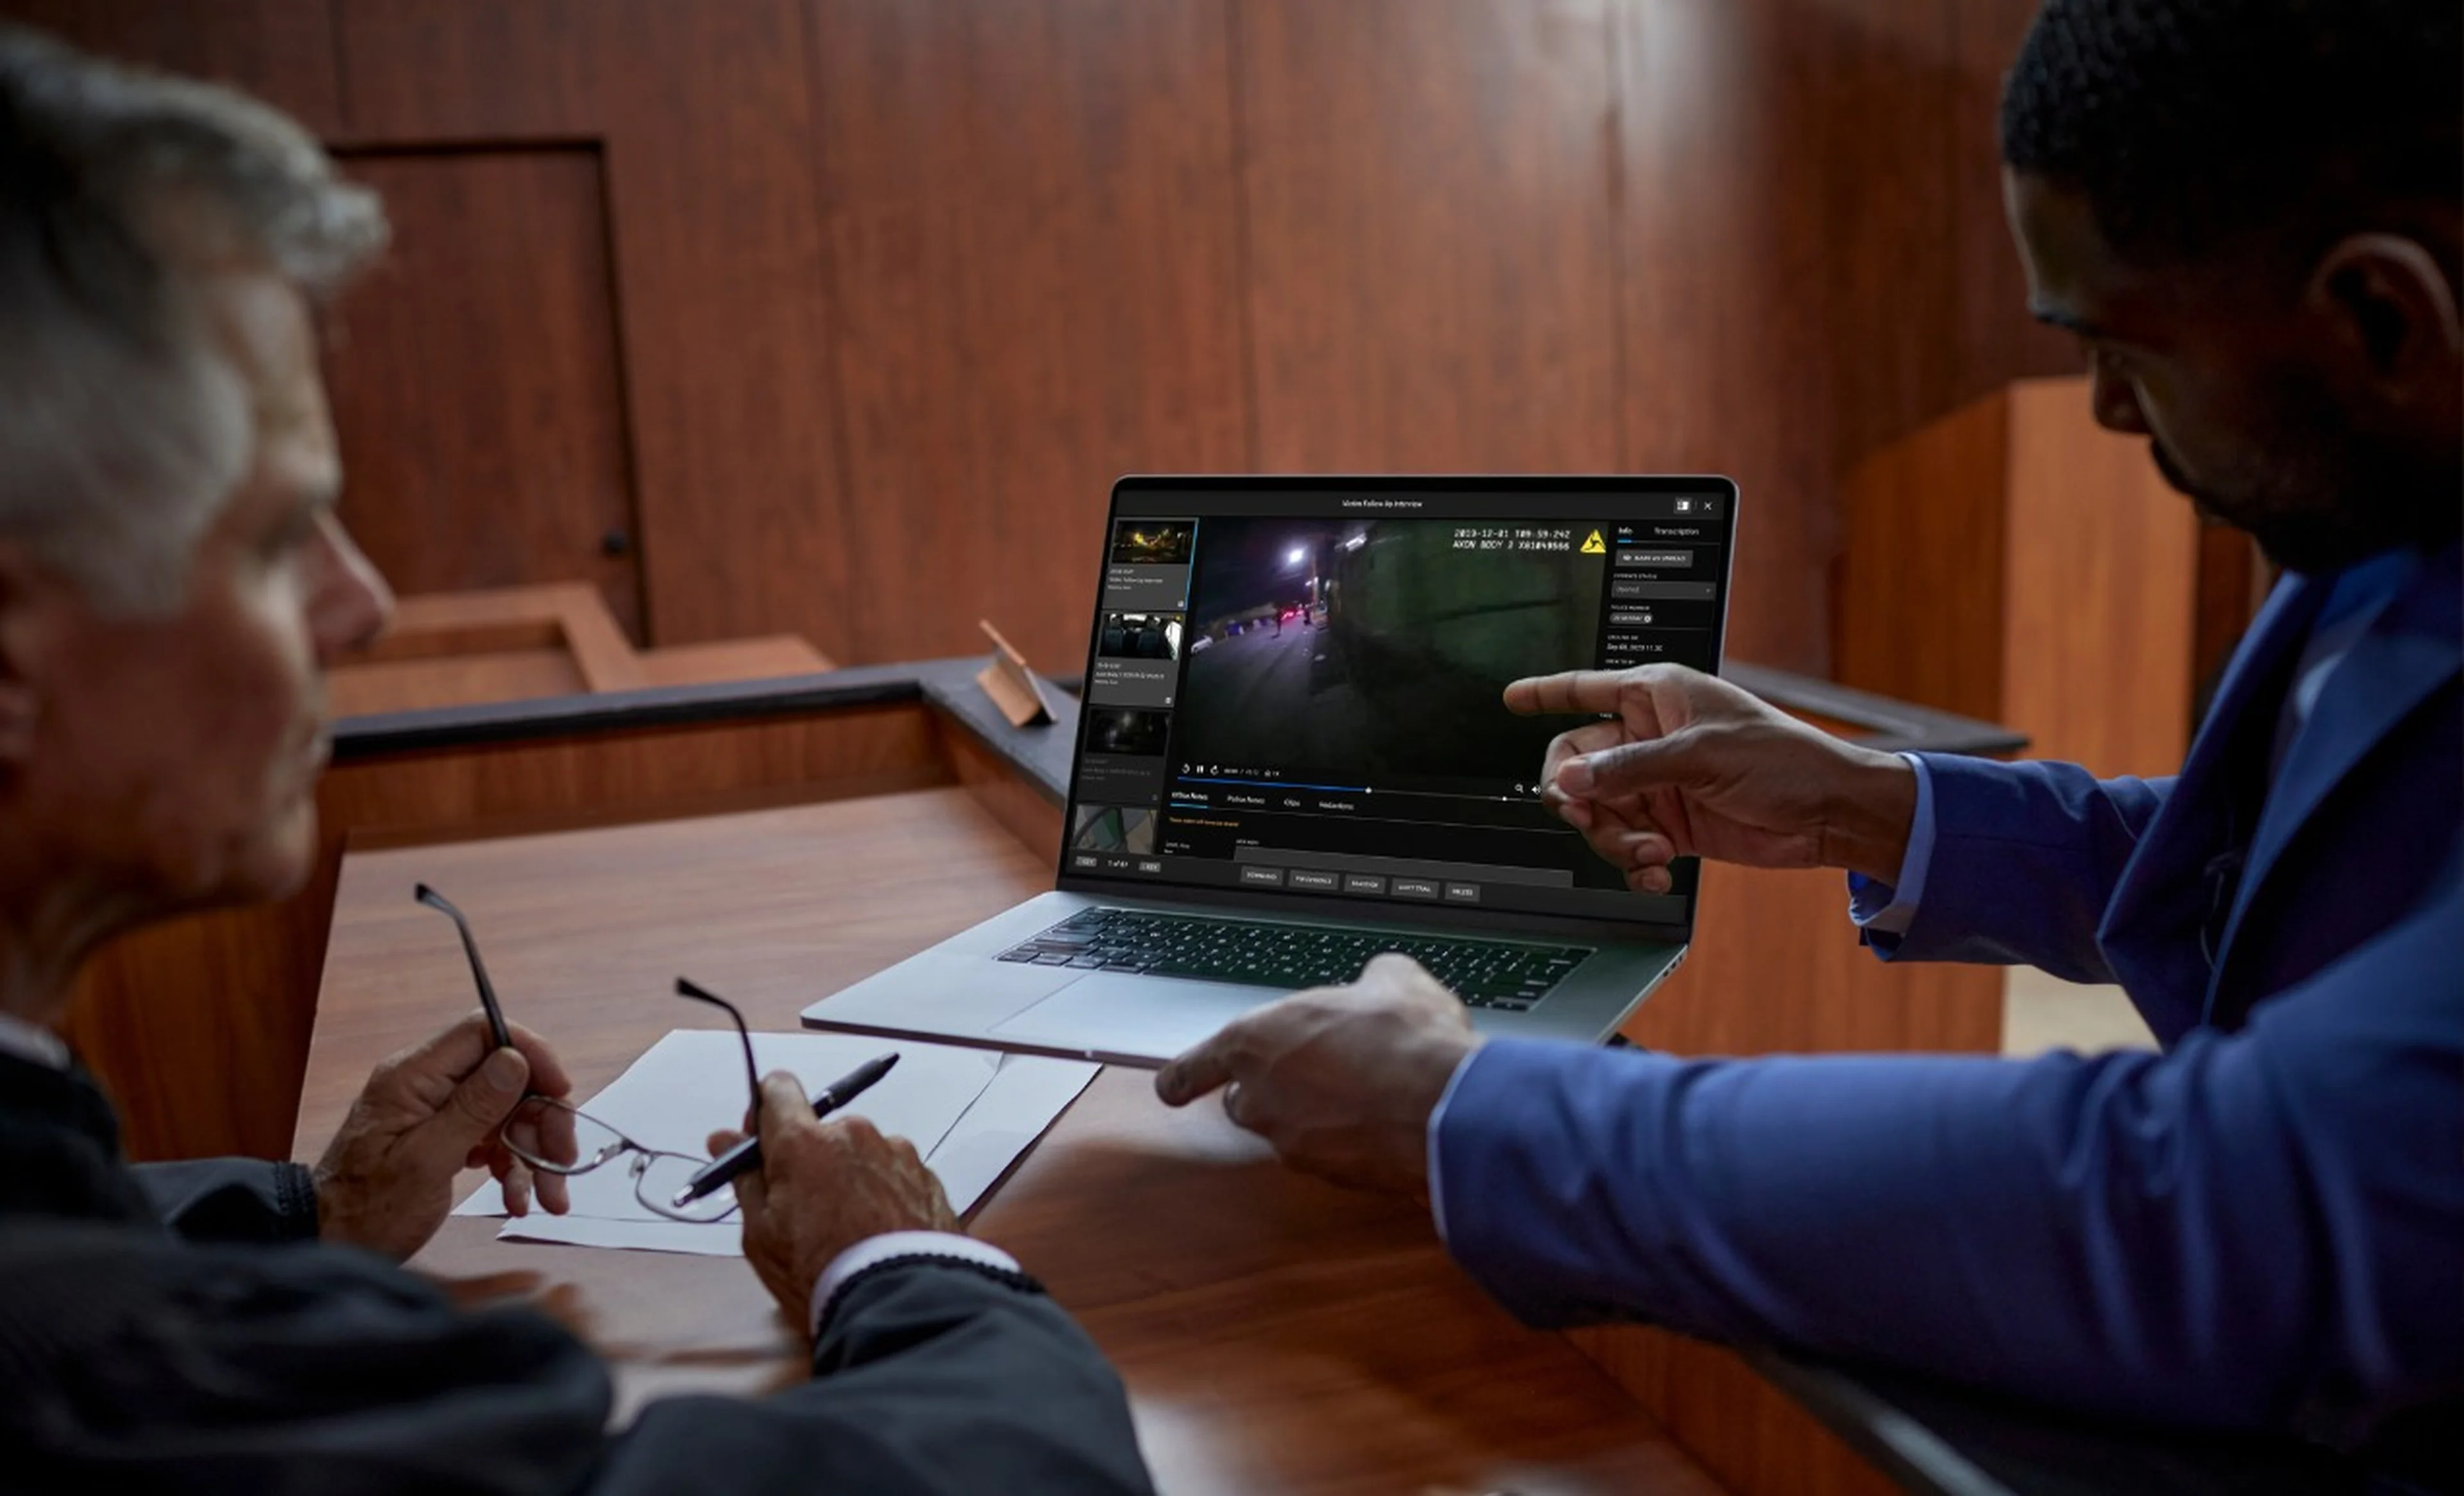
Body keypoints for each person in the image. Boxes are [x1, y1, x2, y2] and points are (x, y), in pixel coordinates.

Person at [1156, 0, 2461, 1462]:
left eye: (2122, 348)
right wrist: (1871, 805)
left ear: (2380, 320)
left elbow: (2226, 1202)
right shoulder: (2395, 508)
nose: (2099, 407)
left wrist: (1467, 1109)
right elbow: (2274, 865)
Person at [0, 26, 1152, 1494]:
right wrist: (897, 1253)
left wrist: (306, 1208)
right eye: (284, 536)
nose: (365, 604)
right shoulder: (138, 1393)